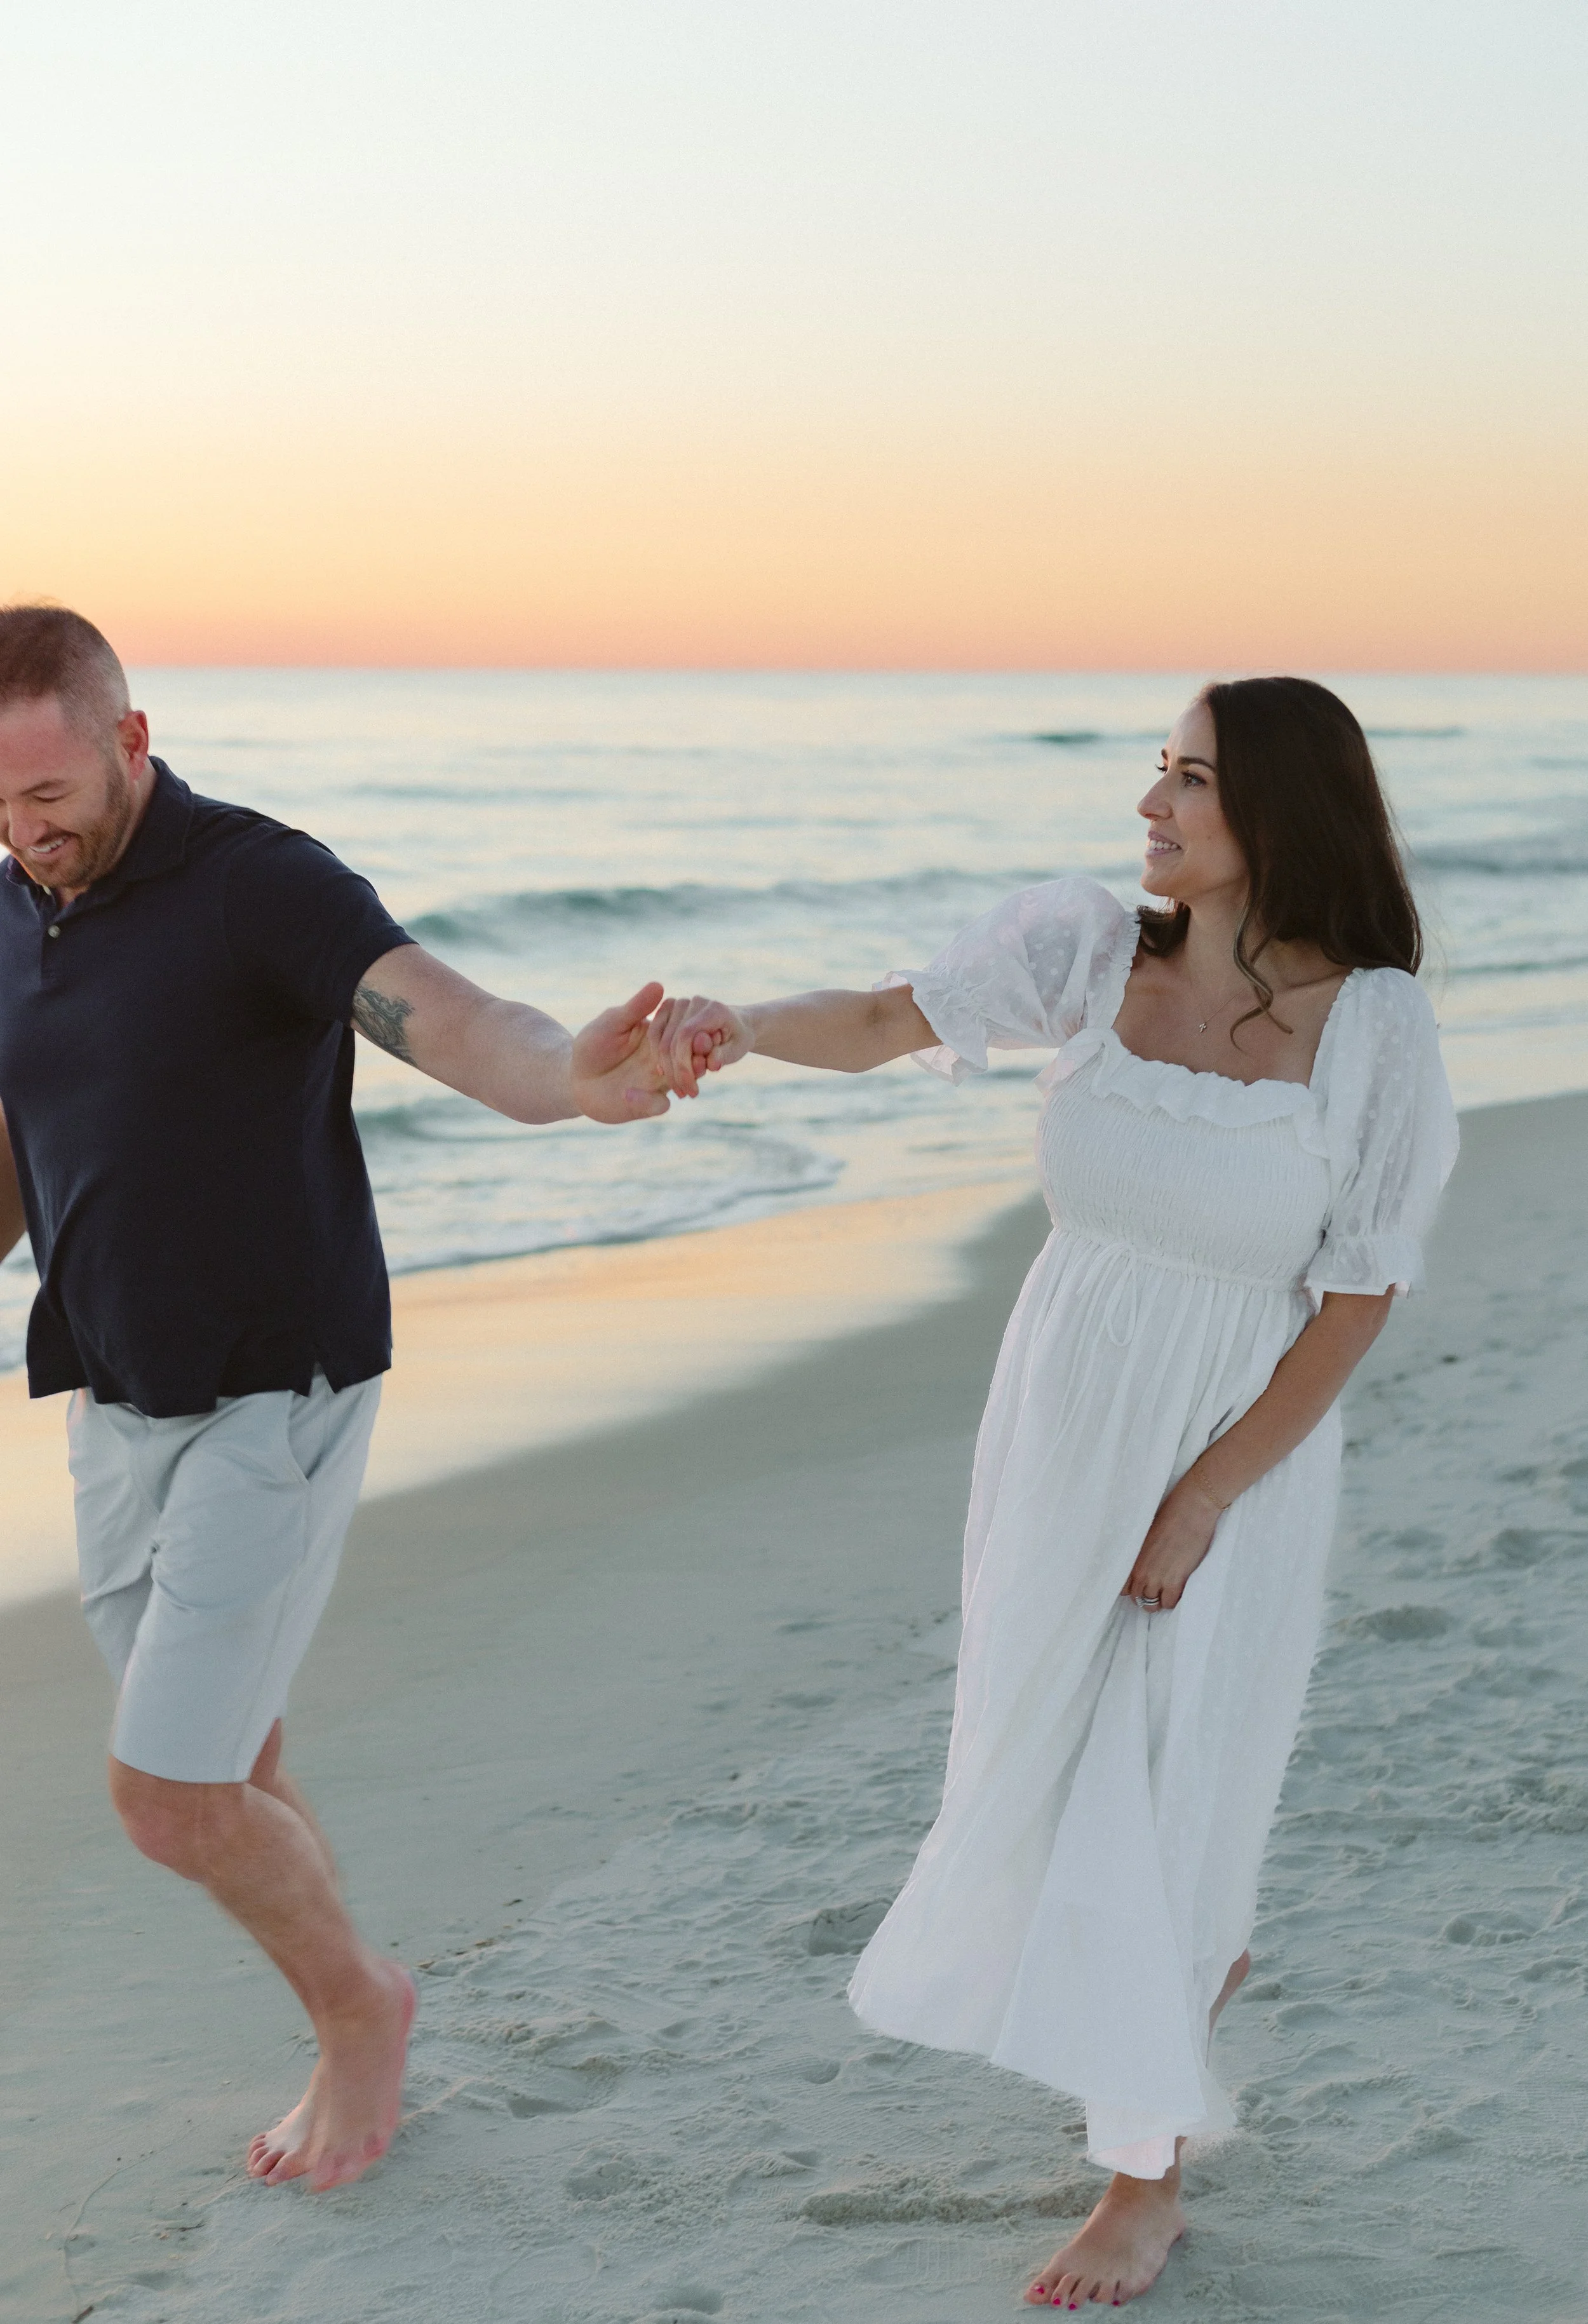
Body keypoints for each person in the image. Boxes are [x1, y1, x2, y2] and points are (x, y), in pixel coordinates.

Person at [649, 677, 1458, 2307]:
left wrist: (1207, 1493)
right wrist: (736, 1024)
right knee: (1040, 1749)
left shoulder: (1370, 1026)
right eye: (1154, 770)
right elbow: (887, 1020)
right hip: (1062, 1415)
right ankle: (1178, 1983)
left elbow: (1358, 1294)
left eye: (1188, 779)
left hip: (1228, 1451)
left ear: (1282, 809)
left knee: (1163, 1784)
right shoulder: (1092, 950)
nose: (1148, 805)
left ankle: (1138, 2183)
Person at [0, 605, 675, 2194]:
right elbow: (24, 1159)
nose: (26, 833)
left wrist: (564, 1075)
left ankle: (361, 2010)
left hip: (274, 1386)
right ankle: (351, 1994)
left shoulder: (256, 880)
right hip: (111, 1387)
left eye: (49, 796)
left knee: (170, 1794)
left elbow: (443, 1015)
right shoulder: (10, 903)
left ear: (131, 741)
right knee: (233, 1750)